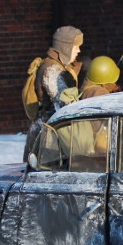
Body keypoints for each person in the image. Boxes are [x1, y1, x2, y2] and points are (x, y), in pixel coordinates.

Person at [23, 26, 84, 158]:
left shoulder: (60, 67)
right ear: (65, 47)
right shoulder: (52, 71)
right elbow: (65, 106)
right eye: (75, 47)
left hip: (51, 134)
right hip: (46, 138)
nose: (79, 50)